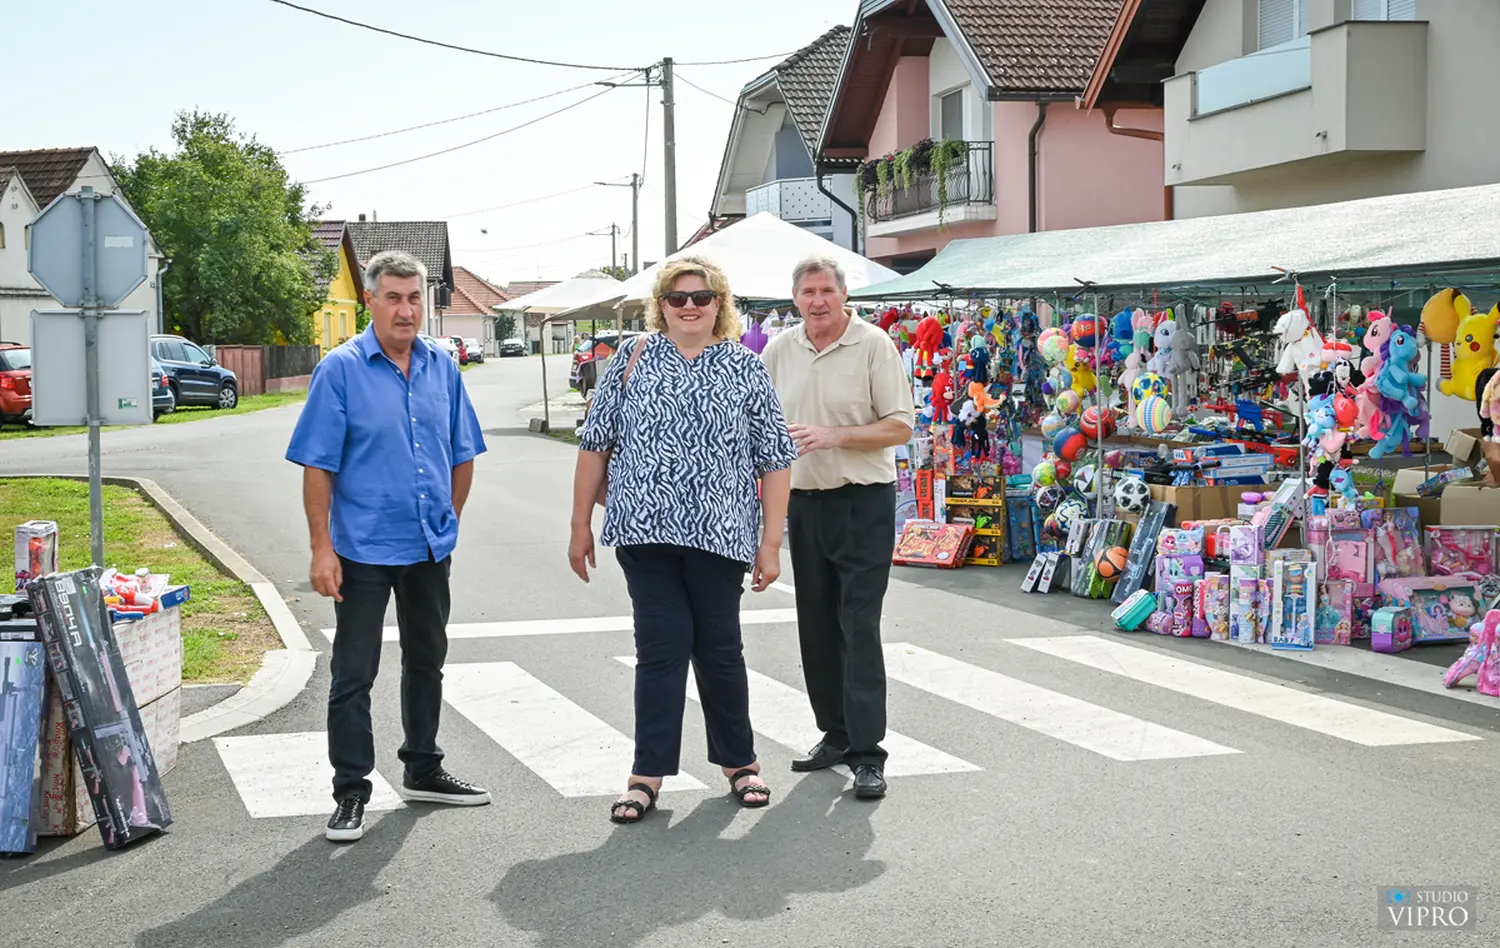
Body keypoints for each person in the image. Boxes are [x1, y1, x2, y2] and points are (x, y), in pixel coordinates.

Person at [568, 256, 799, 824]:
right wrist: (579, 527)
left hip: (721, 534)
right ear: (661, 305)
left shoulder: (744, 367)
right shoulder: (632, 357)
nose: (689, 306)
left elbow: (774, 459)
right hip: (643, 531)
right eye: (677, 297)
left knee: (720, 649)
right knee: (661, 646)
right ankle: (646, 776)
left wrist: (771, 543)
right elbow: (595, 443)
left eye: (701, 296)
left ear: (719, 303)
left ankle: (739, 763)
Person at [287, 250, 491, 843]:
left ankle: (423, 767)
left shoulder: (442, 366)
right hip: (363, 550)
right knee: (355, 673)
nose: (406, 310)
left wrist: (448, 521)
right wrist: (321, 549)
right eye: (394, 297)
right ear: (370, 302)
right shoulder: (341, 369)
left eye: (414, 298)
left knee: (428, 660)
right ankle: (351, 790)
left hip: (428, 547)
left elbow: (462, 452)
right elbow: (317, 467)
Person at [760, 256, 914, 800]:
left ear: (844, 295)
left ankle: (868, 754)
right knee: (817, 623)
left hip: (863, 502)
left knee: (858, 622)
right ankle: (835, 733)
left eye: (827, 290)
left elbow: (901, 426)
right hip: (803, 503)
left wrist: (836, 435)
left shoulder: (874, 344)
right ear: (795, 298)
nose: (818, 300)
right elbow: (761, 431)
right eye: (809, 292)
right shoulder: (778, 350)